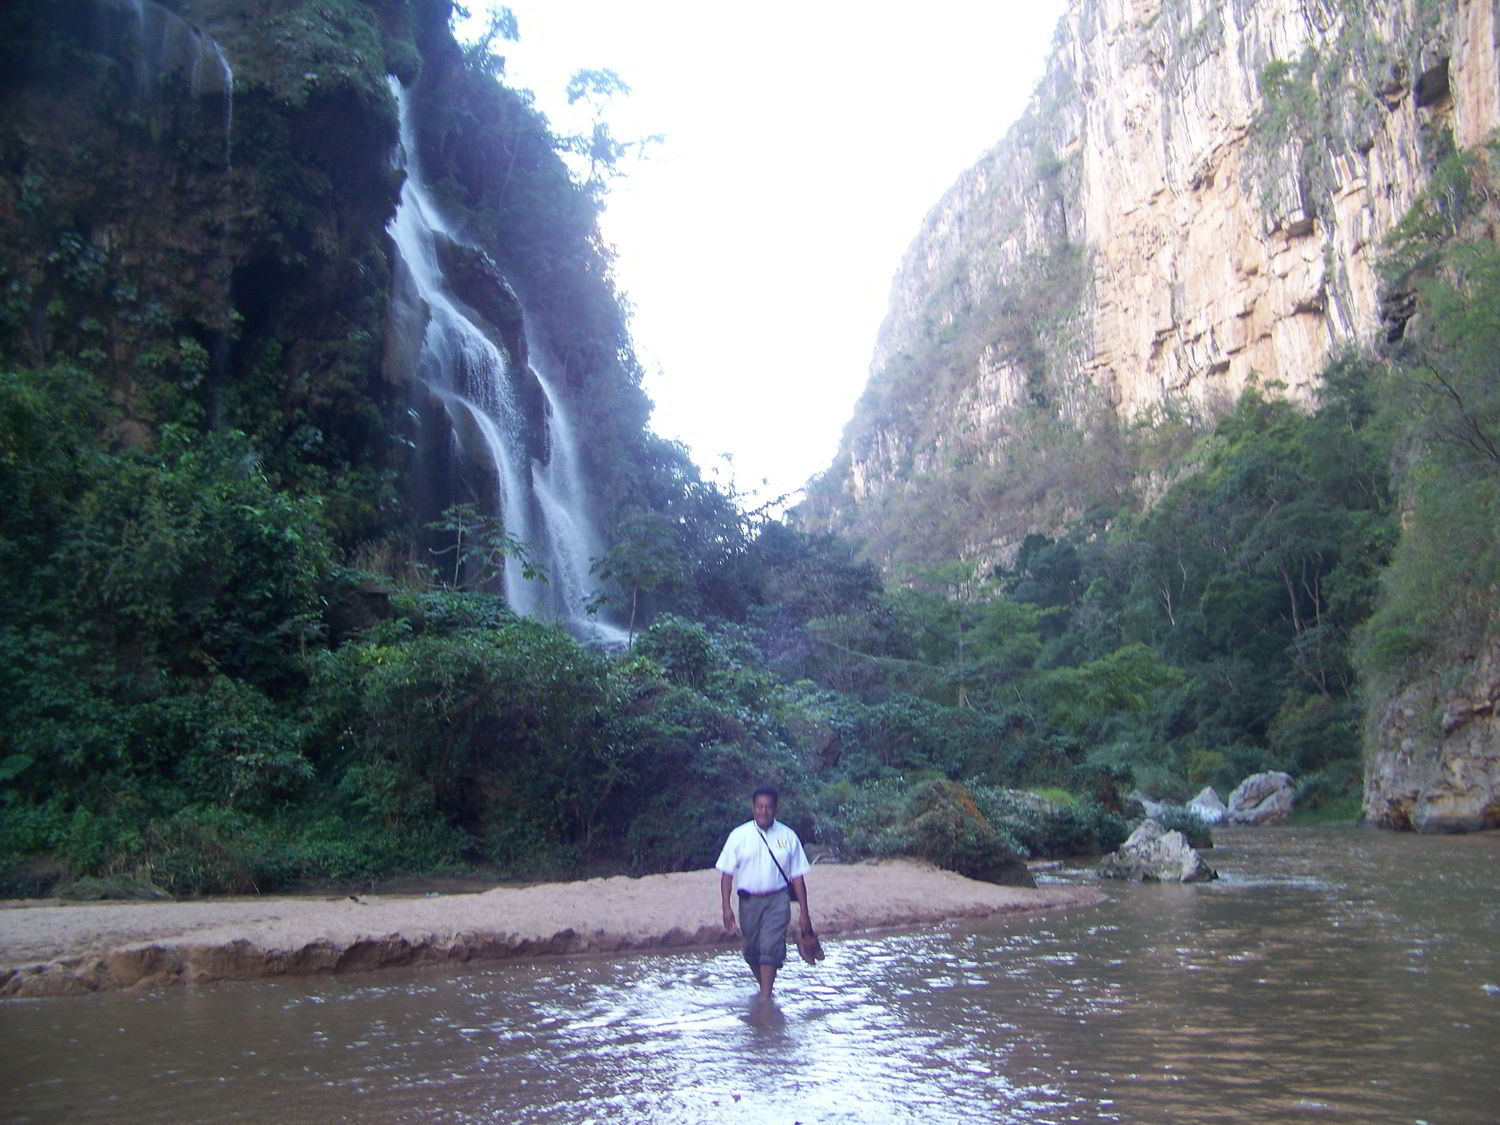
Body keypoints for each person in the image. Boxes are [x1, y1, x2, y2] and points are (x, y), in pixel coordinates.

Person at [716, 784, 813, 999]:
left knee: (770, 948)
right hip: (748, 902)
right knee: (752, 952)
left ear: (775, 809)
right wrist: (726, 907)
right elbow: (726, 874)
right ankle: (765, 990)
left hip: (778, 900)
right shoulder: (738, 836)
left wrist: (804, 913)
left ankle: (766, 999)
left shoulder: (788, 836)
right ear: (753, 808)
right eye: (759, 806)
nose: (763, 811)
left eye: (768, 807)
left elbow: (798, 877)